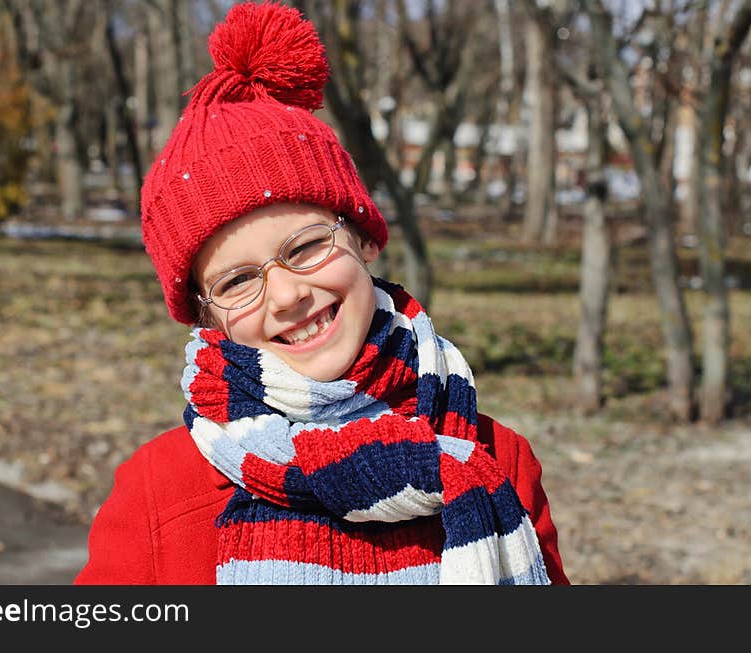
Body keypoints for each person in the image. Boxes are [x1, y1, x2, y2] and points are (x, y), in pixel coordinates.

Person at [74, 1, 569, 585]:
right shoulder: (159, 493)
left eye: (306, 246)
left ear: (361, 238)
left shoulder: (498, 461)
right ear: (208, 317)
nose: (285, 295)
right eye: (236, 281)